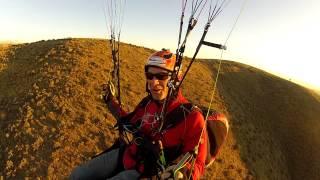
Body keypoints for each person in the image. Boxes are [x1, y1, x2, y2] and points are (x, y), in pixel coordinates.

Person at [70, 49, 207, 180]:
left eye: (161, 76)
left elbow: (198, 163)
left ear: (176, 79)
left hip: (148, 173)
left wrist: (180, 173)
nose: (154, 82)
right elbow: (129, 121)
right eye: (150, 75)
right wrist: (111, 102)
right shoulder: (147, 104)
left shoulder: (191, 117)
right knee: (77, 175)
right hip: (128, 155)